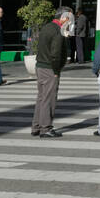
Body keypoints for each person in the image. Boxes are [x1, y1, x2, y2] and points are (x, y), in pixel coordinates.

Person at [31, 9, 72, 138]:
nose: (70, 22)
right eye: (69, 19)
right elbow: (56, 54)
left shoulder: (47, 27)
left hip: (40, 65)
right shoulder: (57, 31)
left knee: (42, 98)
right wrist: (56, 70)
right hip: (50, 68)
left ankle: (36, 126)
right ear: (64, 18)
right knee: (49, 99)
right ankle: (46, 128)